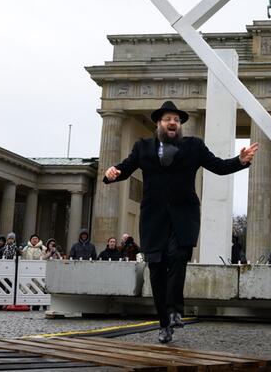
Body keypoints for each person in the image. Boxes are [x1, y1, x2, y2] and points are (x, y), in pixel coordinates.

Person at [103, 99, 257, 344]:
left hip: (184, 216)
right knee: (156, 271)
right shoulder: (142, 147)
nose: (173, 122)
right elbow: (125, 168)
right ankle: (164, 323)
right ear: (158, 123)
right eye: (168, 119)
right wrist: (111, 174)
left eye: (176, 119)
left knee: (177, 258)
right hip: (153, 218)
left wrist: (240, 161)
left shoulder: (194, 146)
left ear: (180, 124)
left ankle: (175, 310)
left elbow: (218, 166)